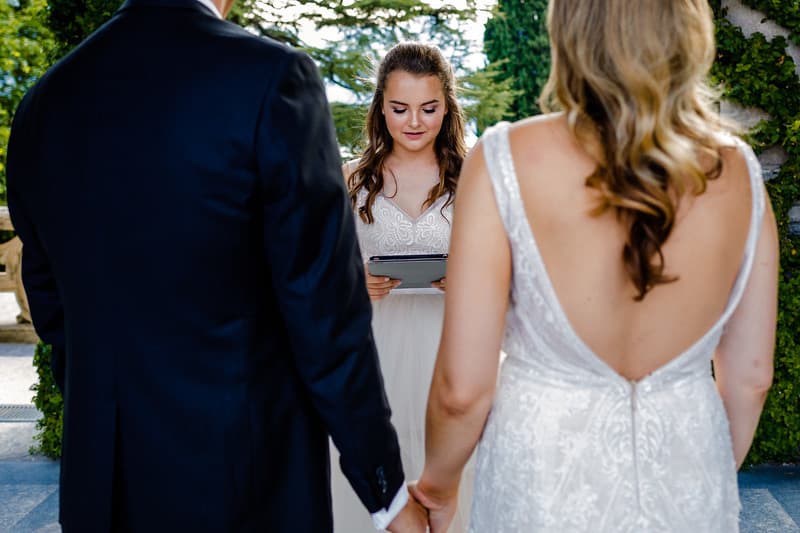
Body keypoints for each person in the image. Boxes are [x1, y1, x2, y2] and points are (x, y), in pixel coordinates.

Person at [5, 0, 427, 531]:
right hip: (243, 481)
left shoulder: (43, 102)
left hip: (101, 486)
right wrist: (386, 491)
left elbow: (50, 303)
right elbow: (325, 310)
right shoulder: (271, 79)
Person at [410, 0, 779, 531]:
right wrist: (704, 473)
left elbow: (462, 391)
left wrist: (438, 487)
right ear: (689, 31)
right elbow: (751, 379)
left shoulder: (506, 159)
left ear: (570, 31)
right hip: (687, 483)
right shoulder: (740, 173)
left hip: (540, 487)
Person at [331, 42, 472, 532]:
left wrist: (469, 283)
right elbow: (318, 274)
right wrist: (352, 283)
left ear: (447, 108)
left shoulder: (474, 178)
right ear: (380, 108)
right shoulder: (350, 179)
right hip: (374, 350)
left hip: (451, 348)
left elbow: (510, 272)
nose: (414, 121)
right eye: (399, 108)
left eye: (429, 108)